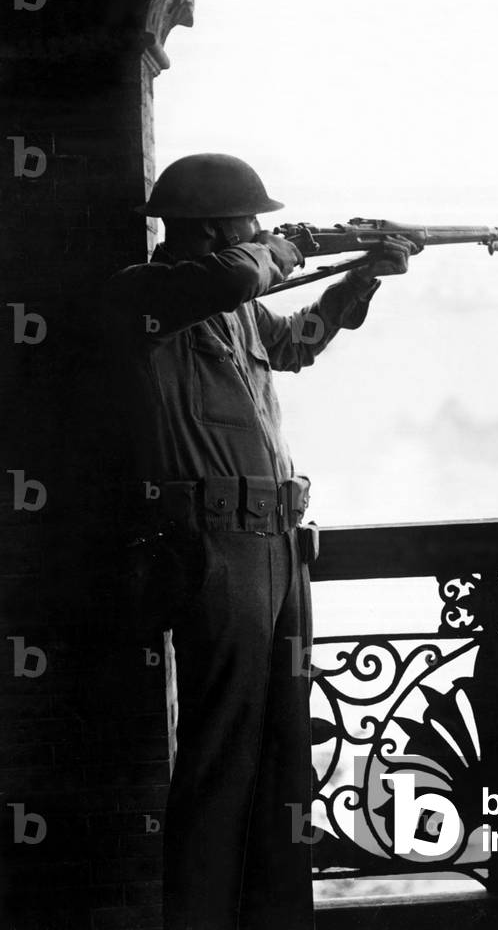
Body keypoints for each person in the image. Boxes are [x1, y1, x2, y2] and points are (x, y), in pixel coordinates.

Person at [101, 153, 416, 930]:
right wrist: (290, 250)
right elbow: (237, 277)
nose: (262, 228)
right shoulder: (148, 294)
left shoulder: (232, 301)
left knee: (278, 759)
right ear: (214, 228)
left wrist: (360, 279)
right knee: (220, 761)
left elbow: (299, 341)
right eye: (251, 220)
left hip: (271, 539)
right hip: (212, 543)